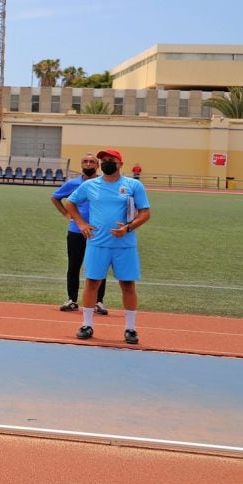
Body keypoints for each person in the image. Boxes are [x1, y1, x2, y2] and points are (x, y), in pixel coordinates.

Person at [64, 148, 151, 345]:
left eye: (111, 160)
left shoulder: (133, 185)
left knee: (128, 285)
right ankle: (87, 325)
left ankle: (130, 329)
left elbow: (145, 213)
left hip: (124, 245)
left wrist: (128, 228)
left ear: (120, 164)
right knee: (92, 283)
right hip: (97, 243)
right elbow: (70, 203)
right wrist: (81, 223)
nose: (106, 163)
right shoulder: (91, 185)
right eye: (103, 160)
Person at [51, 154, 107, 314]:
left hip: (98, 232)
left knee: (99, 267)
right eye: (85, 161)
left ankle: (99, 301)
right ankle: (72, 300)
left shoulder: (104, 183)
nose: (88, 164)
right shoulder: (73, 183)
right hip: (76, 231)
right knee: (74, 266)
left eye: (92, 162)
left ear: (98, 165)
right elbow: (55, 197)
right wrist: (66, 214)